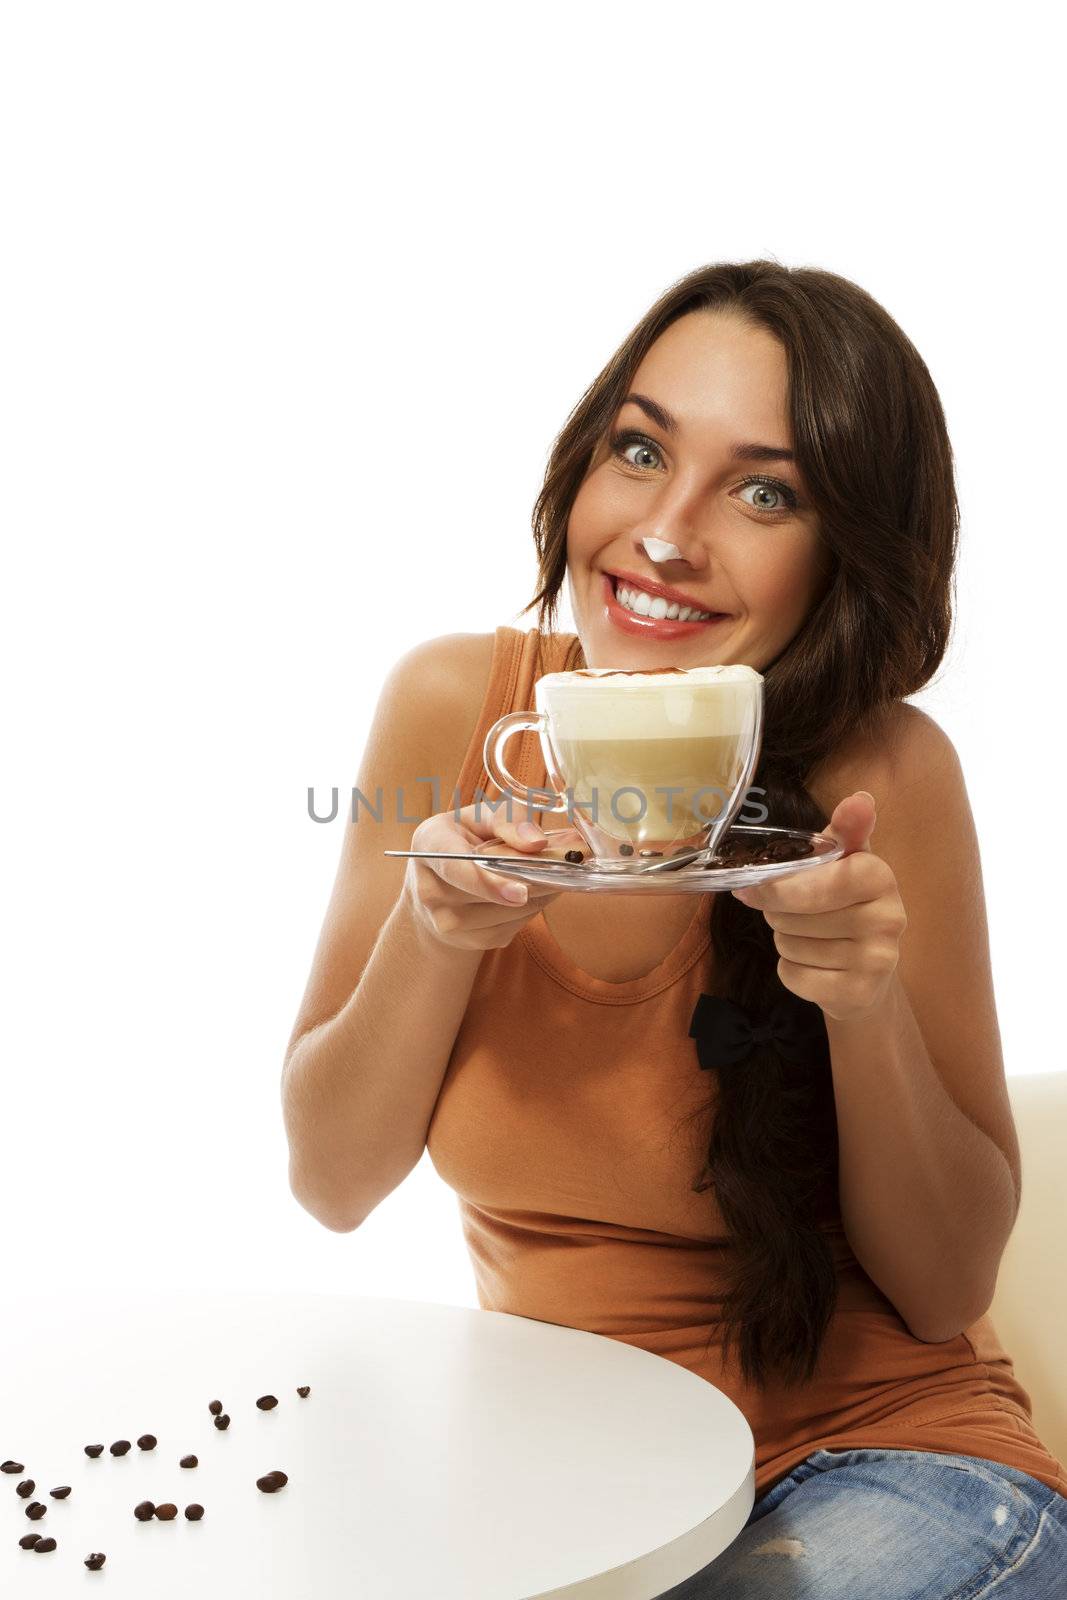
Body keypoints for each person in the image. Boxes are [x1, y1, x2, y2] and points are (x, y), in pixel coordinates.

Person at [281, 261, 1067, 1596]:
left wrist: (861, 1004)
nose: (665, 529)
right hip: (591, 1504)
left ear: (846, 555)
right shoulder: (453, 714)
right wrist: (433, 932)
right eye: (640, 450)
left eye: (765, 491)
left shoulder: (890, 775)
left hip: (889, 1470)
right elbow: (333, 1181)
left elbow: (943, 1291)